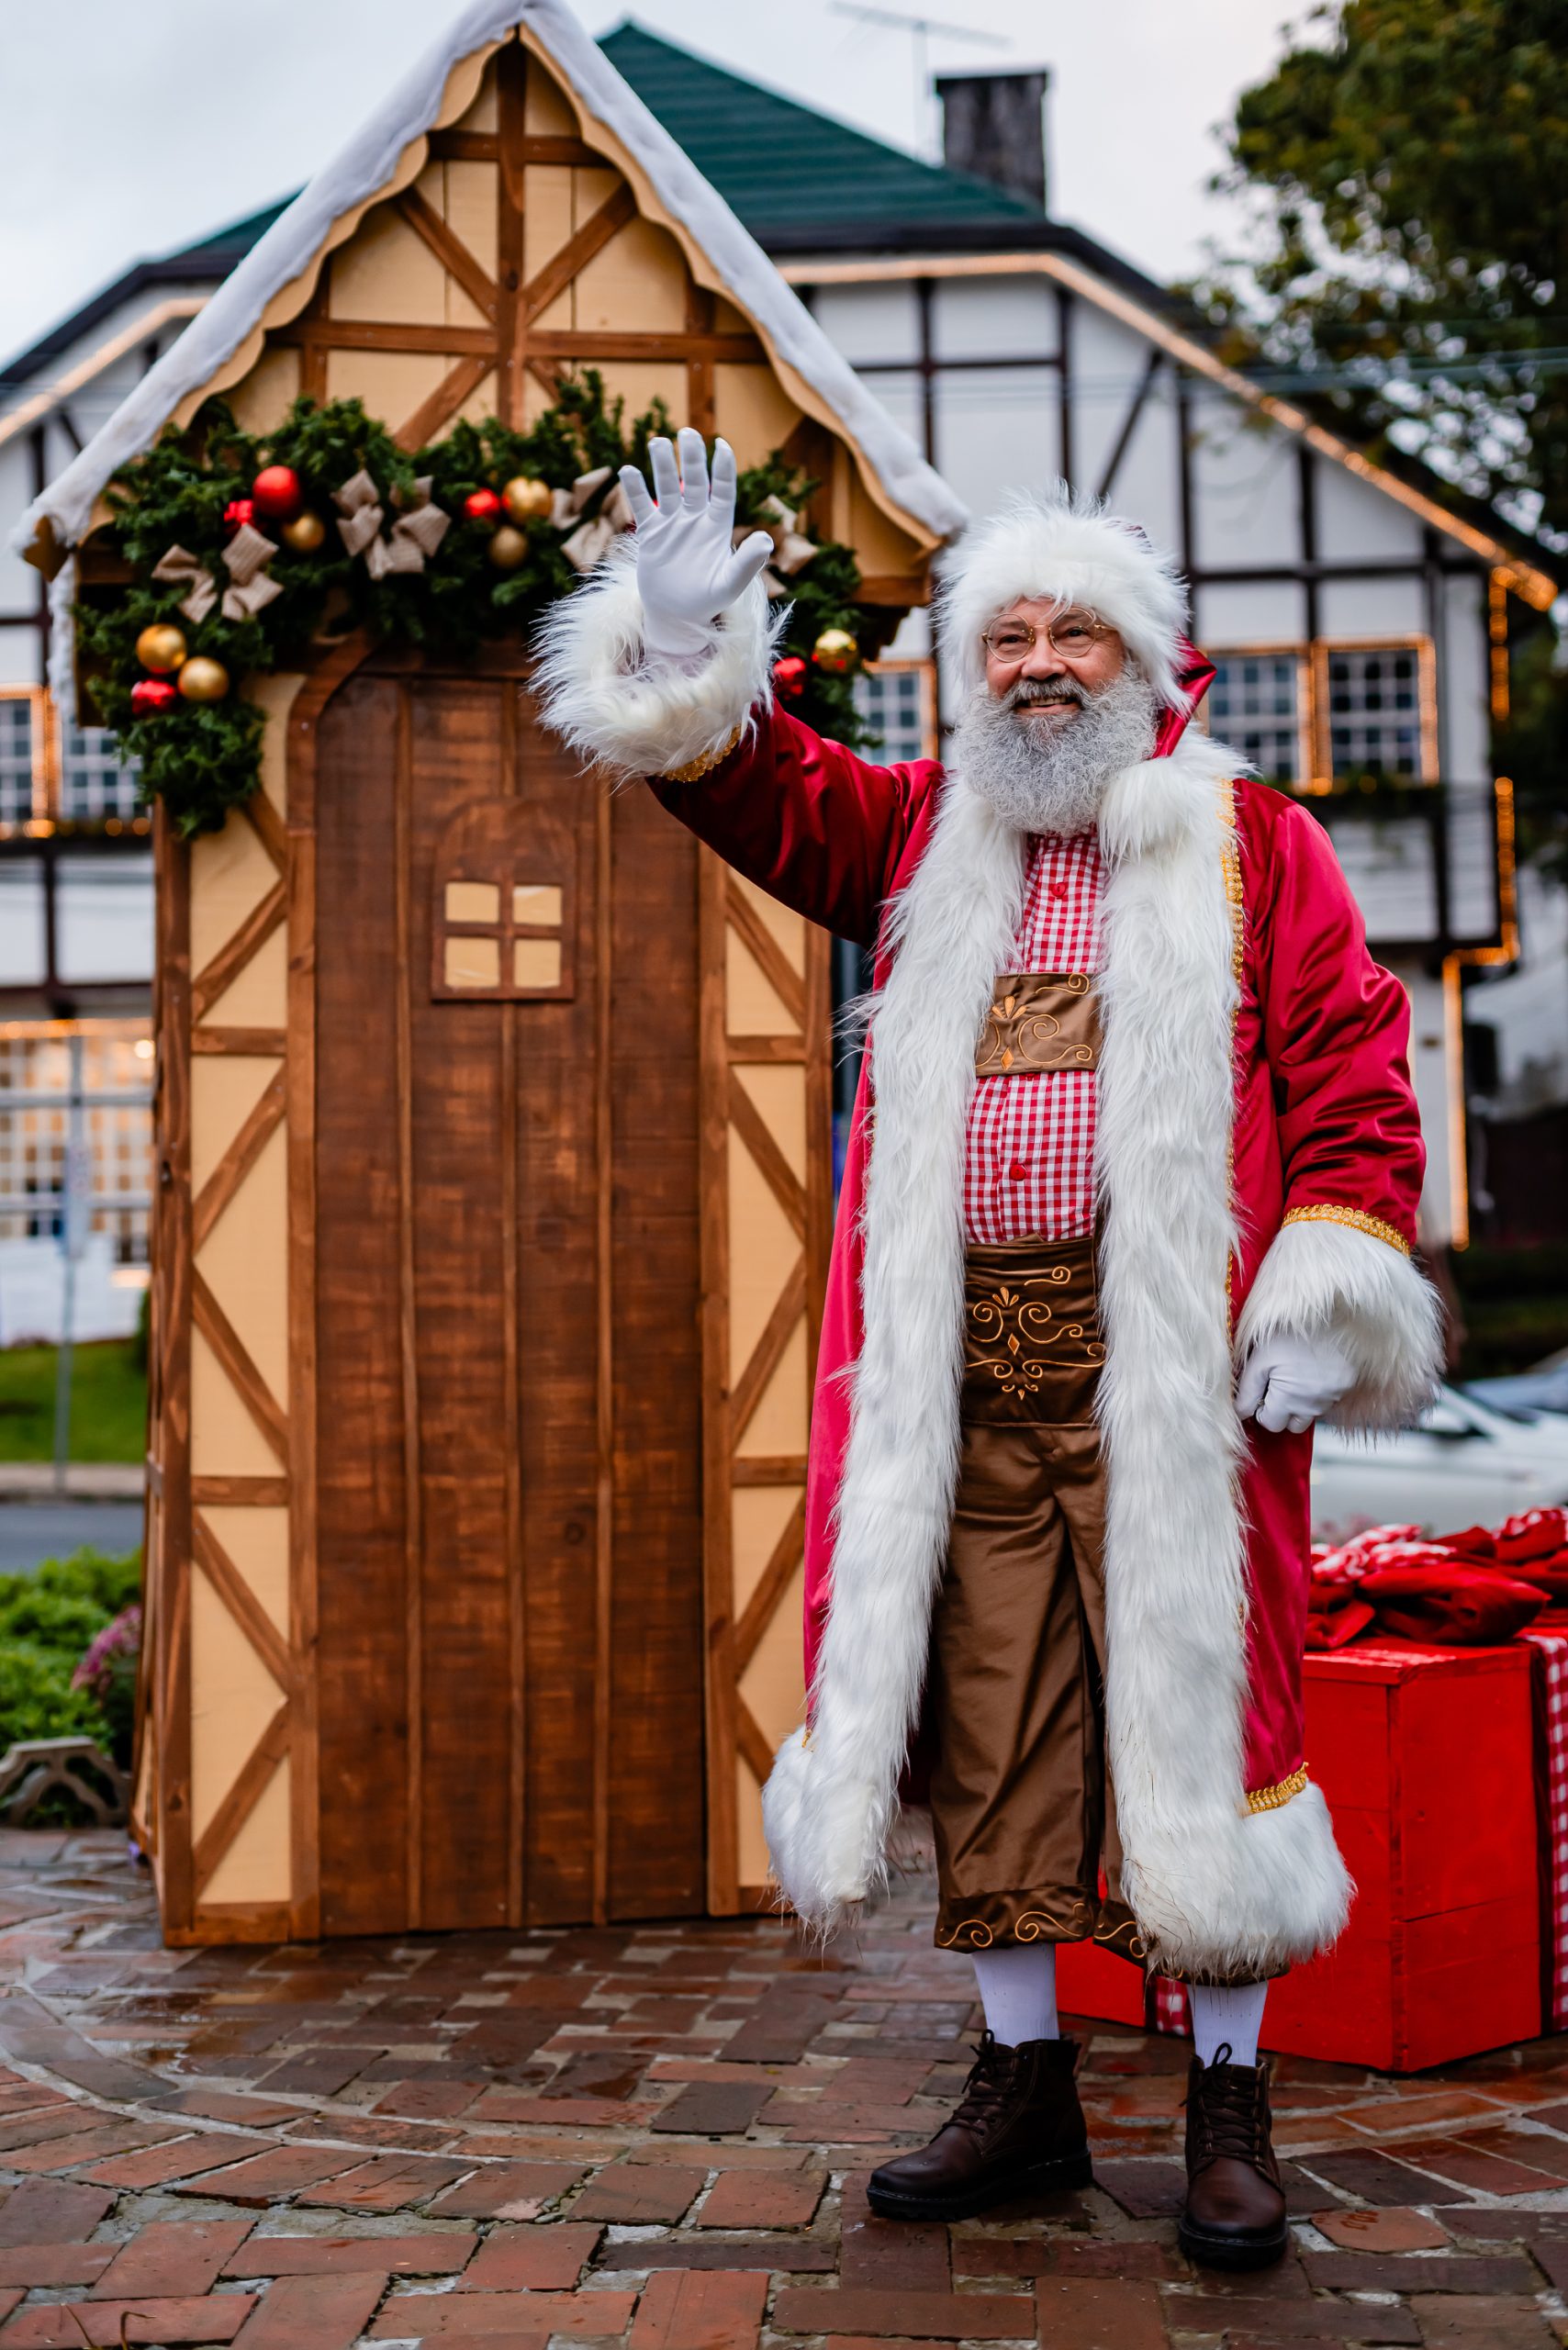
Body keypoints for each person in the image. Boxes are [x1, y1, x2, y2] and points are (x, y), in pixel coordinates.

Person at [537, 431, 1439, 2269]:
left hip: (1170, 1386)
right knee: (993, 1718)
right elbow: (755, 786)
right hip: (965, 1383)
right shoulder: (917, 835)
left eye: (1073, 635)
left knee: (1199, 1727)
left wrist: (1327, 1280)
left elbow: (1352, 1075)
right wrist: (679, 637)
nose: (1037, 661)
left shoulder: (1253, 848)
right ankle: (1023, 2089)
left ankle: (1223, 2110)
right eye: (1005, 636)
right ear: (970, 678)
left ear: (1142, 664)